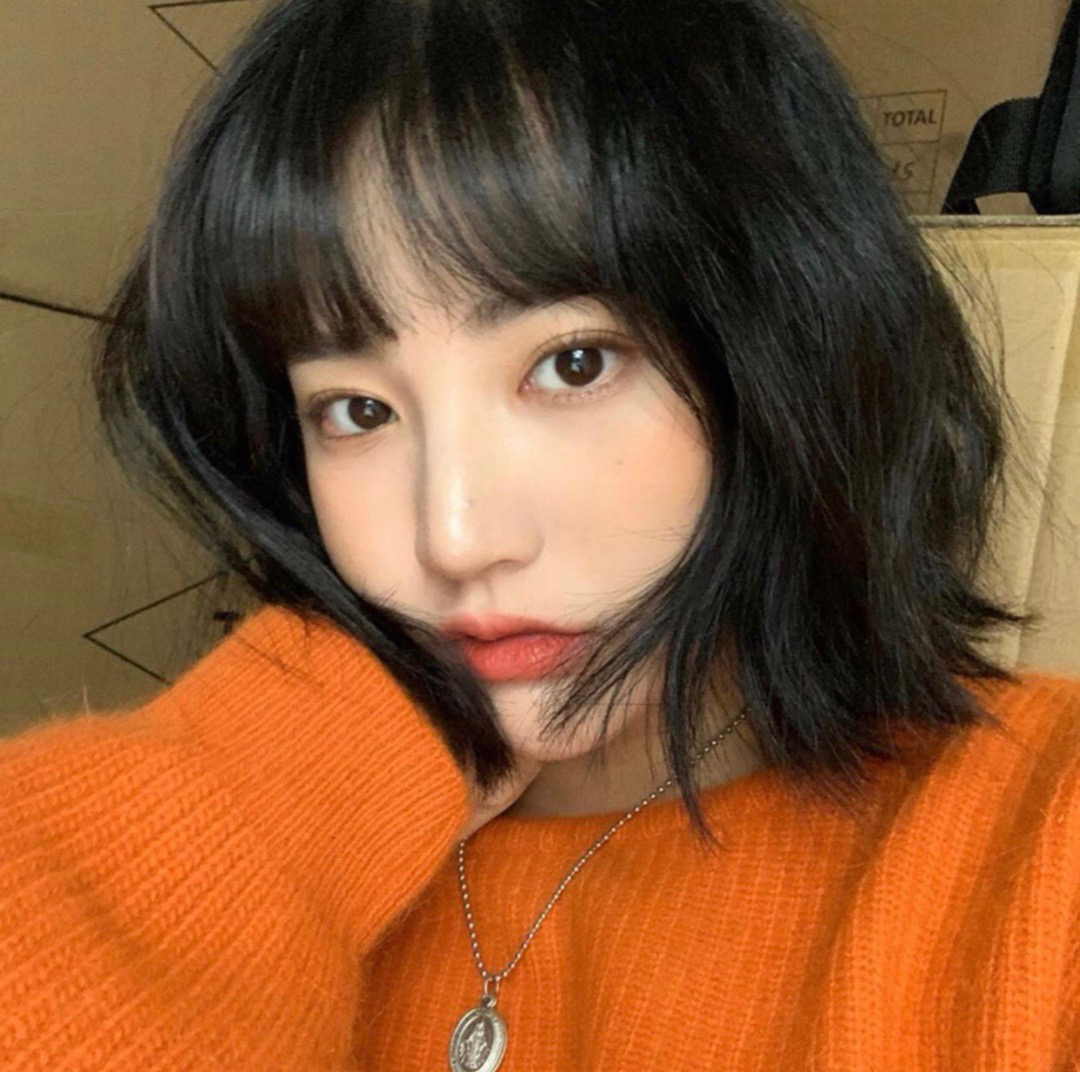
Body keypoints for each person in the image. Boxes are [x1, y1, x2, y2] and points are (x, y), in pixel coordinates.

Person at [2, 0, 1079, 1068]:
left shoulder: (1042, 847)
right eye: (357, 410)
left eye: (572, 364)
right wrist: (256, 796)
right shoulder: (274, 826)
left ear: (789, 346)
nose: (455, 537)